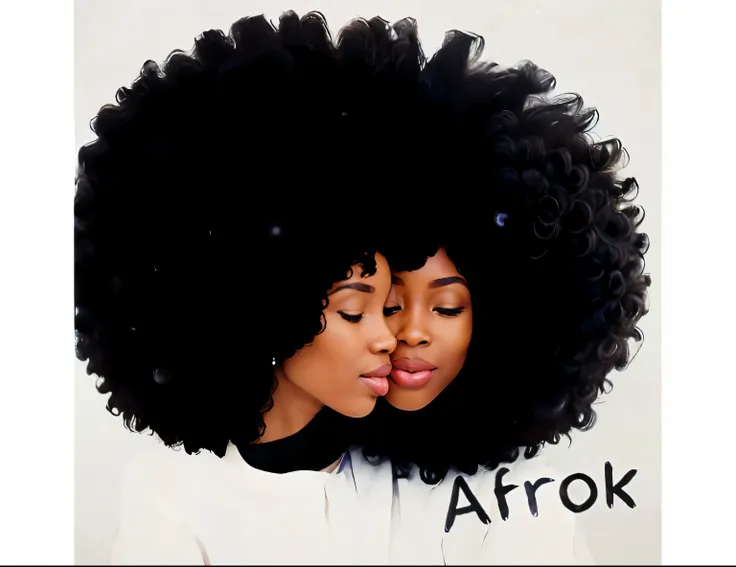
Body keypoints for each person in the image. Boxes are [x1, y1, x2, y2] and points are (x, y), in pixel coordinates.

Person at [73, 10, 423, 564]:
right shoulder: (173, 493)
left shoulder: (422, 478)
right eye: (355, 312)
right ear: (264, 311)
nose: (389, 339)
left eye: (392, 307)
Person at [350, 20, 651, 565]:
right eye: (386, 303)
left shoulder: (522, 509)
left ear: (503, 319)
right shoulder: (303, 470)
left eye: (447, 306)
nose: (411, 331)